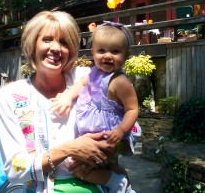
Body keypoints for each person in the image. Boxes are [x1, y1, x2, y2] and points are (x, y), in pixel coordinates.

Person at [0, 11, 115, 193]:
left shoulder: (88, 79)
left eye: (64, 42)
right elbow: (15, 168)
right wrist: (69, 149)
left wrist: (114, 158)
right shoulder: (11, 96)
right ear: (33, 45)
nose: (56, 48)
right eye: (47, 39)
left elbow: (129, 125)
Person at [51, 21, 139, 193]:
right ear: (93, 52)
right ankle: (123, 184)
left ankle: (118, 184)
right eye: (101, 51)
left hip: (109, 135)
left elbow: (133, 109)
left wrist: (121, 131)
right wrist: (68, 96)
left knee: (78, 168)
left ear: (126, 55)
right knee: (107, 165)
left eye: (115, 51)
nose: (107, 56)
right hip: (93, 132)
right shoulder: (94, 72)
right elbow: (82, 83)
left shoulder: (119, 81)